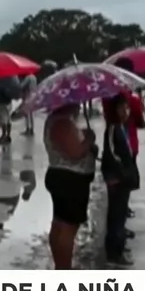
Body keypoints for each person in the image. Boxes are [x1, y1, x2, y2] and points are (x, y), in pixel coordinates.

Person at [43, 103, 97, 269]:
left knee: (59, 224)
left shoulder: (59, 121)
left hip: (64, 178)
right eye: (76, 103)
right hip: (70, 181)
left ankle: (61, 265)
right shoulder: (62, 123)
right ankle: (64, 268)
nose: (79, 107)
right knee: (67, 229)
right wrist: (89, 140)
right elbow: (75, 153)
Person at [105, 57, 145, 222]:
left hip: (111, 141)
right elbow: (140, 121)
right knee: (124, 185)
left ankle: (117, 224)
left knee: (114, 187)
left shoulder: (107, 92)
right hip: (127, 143)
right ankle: (118, 229)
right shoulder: (128, 96)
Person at [101, 94, 139, 267]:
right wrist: (115, 176)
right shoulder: (113, 129)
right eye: (122, 108)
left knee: (120, 216)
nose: (126, 111)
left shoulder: (122, 128)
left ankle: (118, 250)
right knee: (116, 217)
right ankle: (114, 254)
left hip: (123, 179)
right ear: (115, 110)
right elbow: (110, 156)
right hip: (117, 180)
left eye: (128, 108)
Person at [0, 79, 15, 145]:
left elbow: (1, 90)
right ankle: (8, 135)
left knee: (3, 120)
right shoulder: (10, 81)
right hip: (9, 102)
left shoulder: (1, 82)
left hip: (2, 103)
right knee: (8, 119)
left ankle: (3, 136)